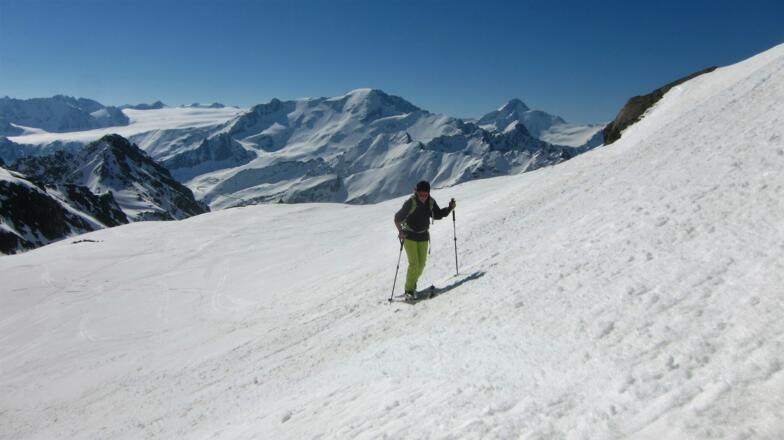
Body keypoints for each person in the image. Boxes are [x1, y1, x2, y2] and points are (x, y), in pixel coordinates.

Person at [394, 180, 456, 299]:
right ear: (416, 192)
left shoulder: (430, 202)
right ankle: (409, 290)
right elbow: (397, 219)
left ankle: (412, 284)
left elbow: (437, 215)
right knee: (414, 264)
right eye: (421, 194)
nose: (423, 197)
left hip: (423, 236)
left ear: (428, 193)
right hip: (409, 236)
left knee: (421, 265)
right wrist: (400, 231)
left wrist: (449, 208)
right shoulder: (410, 203)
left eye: (425, 194)